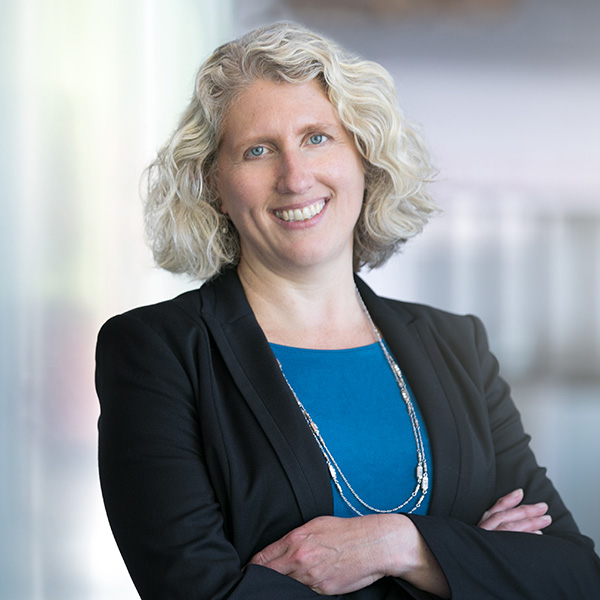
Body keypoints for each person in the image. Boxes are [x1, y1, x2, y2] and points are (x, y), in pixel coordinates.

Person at [95, 21, 600, 599]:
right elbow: (201, 593)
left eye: (317, 137)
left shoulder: (456, 344)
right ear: (215, 184)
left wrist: (400, 545)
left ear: (364, 156)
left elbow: (574, 575)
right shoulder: (156, 352)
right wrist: (469, 560)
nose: (295, 176)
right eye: (257, 150)